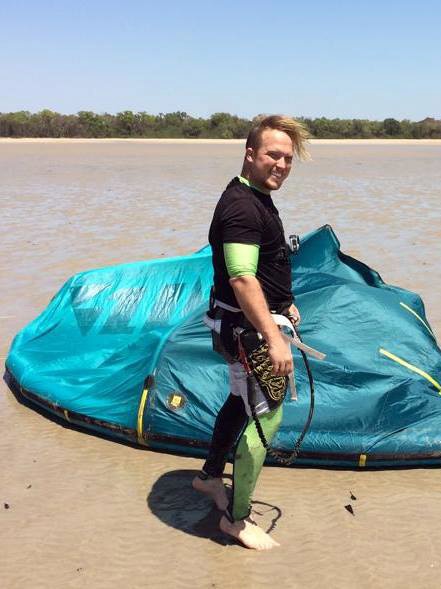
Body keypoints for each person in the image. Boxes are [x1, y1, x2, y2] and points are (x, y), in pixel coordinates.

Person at [192, 115, 309, 550]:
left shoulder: (255, 196)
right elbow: (242, 276)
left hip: (241, 325)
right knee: (267, 416)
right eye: (272, 155)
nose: (280, 164)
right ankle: (236, 521)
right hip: (250, 333)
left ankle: (208, 478)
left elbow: (261, 265)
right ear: (250, 154)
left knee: (240, 403)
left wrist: (284, 301)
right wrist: (274, 336)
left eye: (287, 158)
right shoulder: (242, 206)